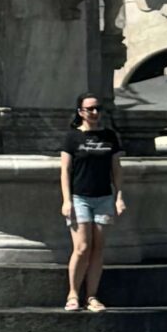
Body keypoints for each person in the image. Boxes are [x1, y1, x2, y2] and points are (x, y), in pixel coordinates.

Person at [58, 94, 125, 313]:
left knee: (98, 248)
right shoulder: (72, 138)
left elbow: (116, 168)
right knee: (82, 247)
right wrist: (66, 200)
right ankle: (73, 293)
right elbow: (65, 171)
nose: (95, 113)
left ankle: (92, 296)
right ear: (80, 112)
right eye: (90, 109)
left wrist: (119, 196)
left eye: (98, 109)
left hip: (104, 197)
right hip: (80, 197)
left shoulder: (109, 136)